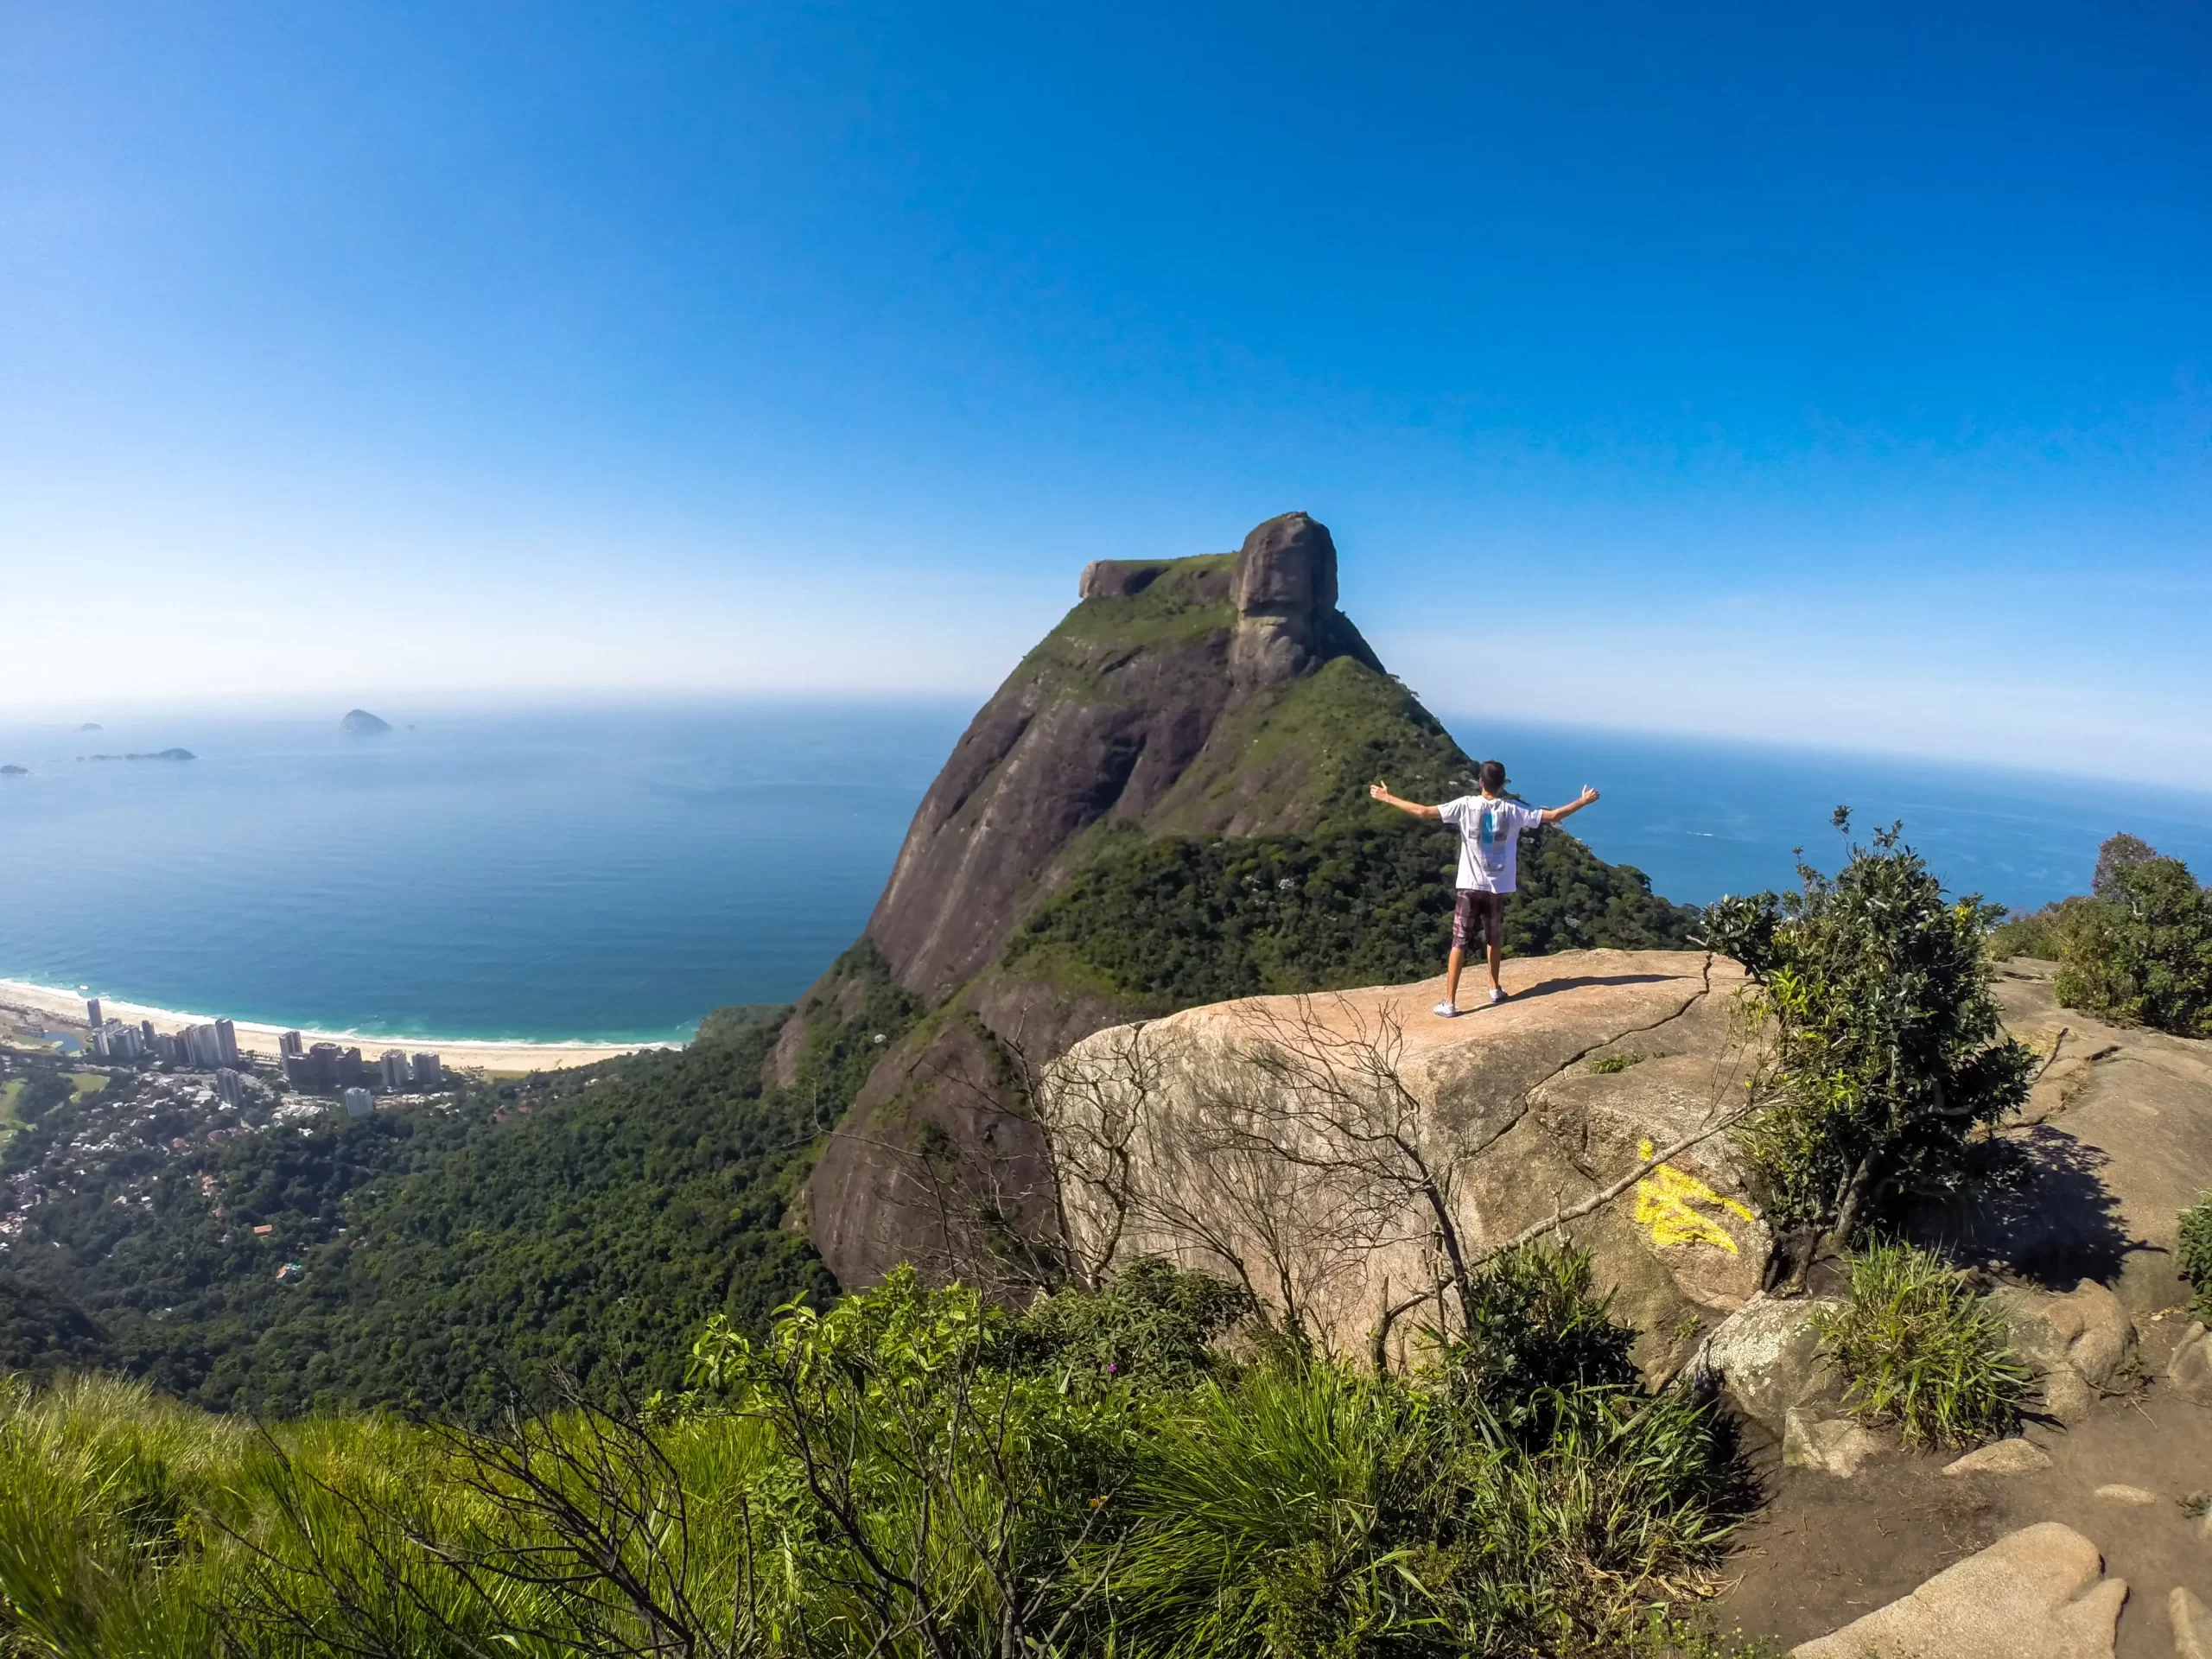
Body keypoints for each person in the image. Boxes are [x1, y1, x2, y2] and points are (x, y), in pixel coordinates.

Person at [1369, 762, 1600, 1017]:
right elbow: (1553, 816)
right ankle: (1494, 988)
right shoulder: (1513, 810)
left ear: (1481, 782)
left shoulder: (1466, 805)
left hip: (1469, 885)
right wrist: (1583, 801)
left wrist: (1386, 797)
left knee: (1459, 942)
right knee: (1494, 938)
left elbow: (1423, 812)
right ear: (1503, 784)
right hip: (1496, 886)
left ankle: (1450, 1002)